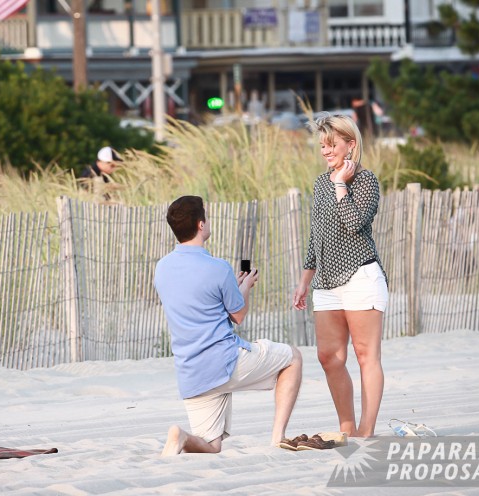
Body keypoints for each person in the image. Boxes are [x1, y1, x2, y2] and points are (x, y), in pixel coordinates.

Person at [154, 196, 303, 455]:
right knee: (293, 357)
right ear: (201, 225)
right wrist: (243, 287)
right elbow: (239, 315)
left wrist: (231, 287)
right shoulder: (218, 268)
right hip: (225, 362)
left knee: (211, 447)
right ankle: (278, 436)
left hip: (192, 374)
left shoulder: (162, 268)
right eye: (207, 217)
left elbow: (199, 308)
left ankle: (181, 437)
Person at [292, 113, 388, 438]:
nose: (326, 151)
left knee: (365, 355)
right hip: (327, 284)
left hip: (361, 275)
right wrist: (305, 279)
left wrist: (340, 185)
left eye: (331, 144)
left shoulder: (366, 181)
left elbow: (354, 223)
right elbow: (315, 235)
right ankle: (346, 426)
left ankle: (366, 429)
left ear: (351, 144)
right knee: (328, 357)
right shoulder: (321, 183)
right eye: (322, 145)